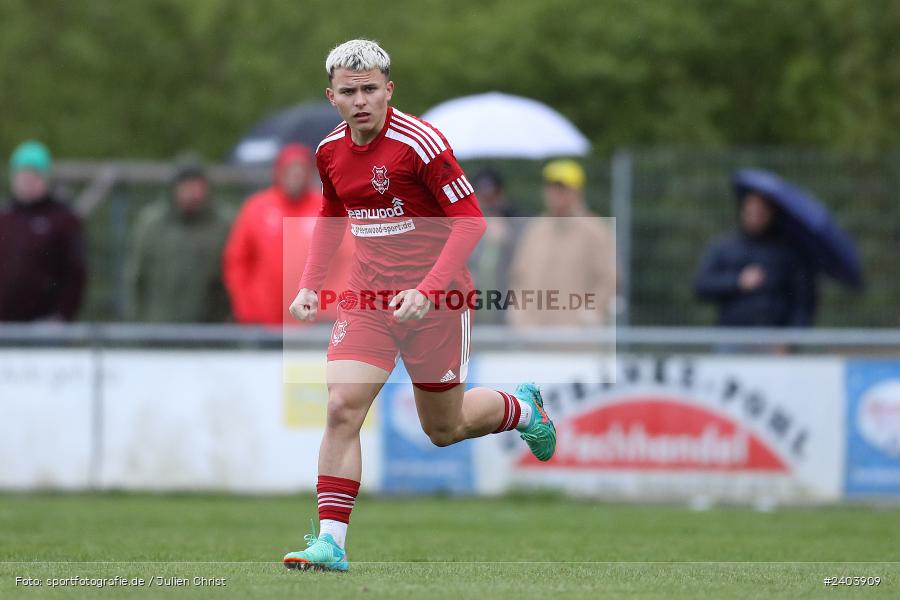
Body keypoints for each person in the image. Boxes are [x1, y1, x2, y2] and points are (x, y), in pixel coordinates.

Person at [282, 39, 556, 572]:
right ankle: (331, 543)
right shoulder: (329, 151)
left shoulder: (420, 144)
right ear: (331, 96)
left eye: (369, 89)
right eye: (348, 91)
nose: (361, 100)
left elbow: (471, 221)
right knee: (341, 408)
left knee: (443, 429)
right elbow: (333, 213)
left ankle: (522, 408)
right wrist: (310, 283)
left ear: (389, 90)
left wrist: (426, 290)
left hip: (439, 301)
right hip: (367, 300)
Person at [223, 144, 353, 324]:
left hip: (314, 321)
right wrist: (246, 307)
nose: (295, 175)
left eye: (300, 169)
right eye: (290, 169)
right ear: (279, 171)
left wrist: (331, 306)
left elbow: (347, 260)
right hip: (263, 322)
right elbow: (237, 261)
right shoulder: (256, 208)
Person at [507, 159, 616, 327]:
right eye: (551, 188)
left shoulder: (596, 230)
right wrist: (518, 313)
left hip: (577, 341)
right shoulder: (535, 229)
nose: (556, 194)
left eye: (562, 188)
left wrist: (592, 313)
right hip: (534, 338)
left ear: (578, 192)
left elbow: (608, 280)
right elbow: (518, 276)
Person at [127, 154, 232, 322]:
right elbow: (137, 278)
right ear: (174, 188)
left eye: (197, 185)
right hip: (159, 329)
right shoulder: (151, 224)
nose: (193, 192)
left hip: (210, 333)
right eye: (187, 185)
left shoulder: (224, 224)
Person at [694, 190, 814, 327]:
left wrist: (790, 338)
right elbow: (702, 285)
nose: (755, 216)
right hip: (732, 335)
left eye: (761, 211)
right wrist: (738, 281)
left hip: (774, 337)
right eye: (750, 210)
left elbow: (803, 301)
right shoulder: (724, 246)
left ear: (771, 213)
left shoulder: (787, 251)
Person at [0, 141, 86, 321]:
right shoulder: (5, 217)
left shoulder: (63, 219)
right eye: (22, 175)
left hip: (44, 326)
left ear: (45, 178)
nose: (26, 182)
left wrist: (62, 316)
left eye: (33, 176)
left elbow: (76, 273)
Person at [467, 168, 521, 324]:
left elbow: (525, 264)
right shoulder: (466, 222)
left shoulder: (515, 219)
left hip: (506, 304)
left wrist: (508, 239)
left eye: (492, 196)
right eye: (483, 197)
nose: (487, 202)